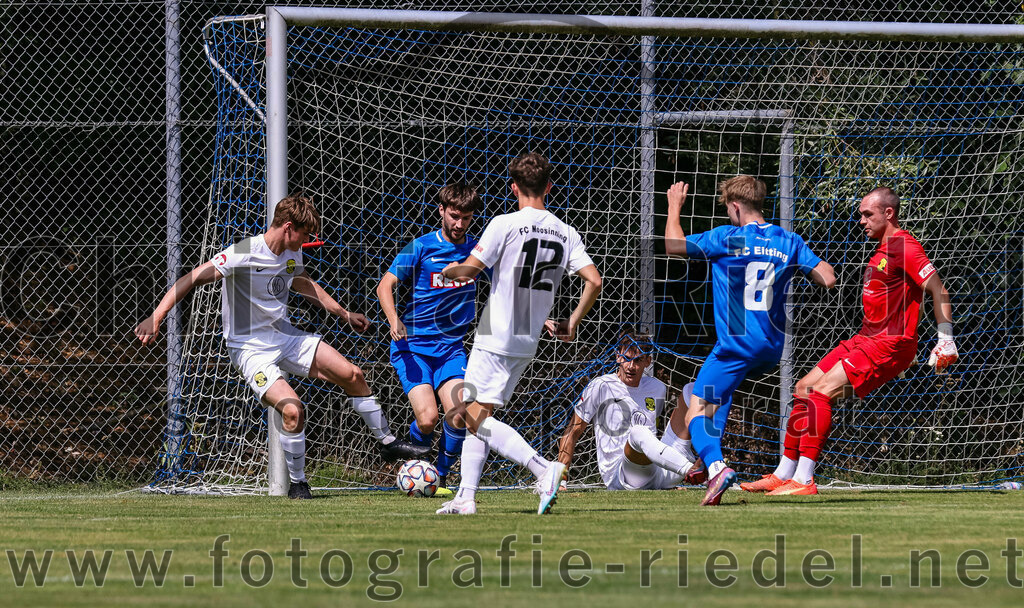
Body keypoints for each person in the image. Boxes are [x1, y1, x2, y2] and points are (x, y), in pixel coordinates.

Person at [135, 193, 429, 499]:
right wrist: (156, 317)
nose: (307, 241)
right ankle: (298, 483)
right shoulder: (244, 251)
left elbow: (303, 283)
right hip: (249, 349)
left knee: (352, 374)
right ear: (288, 227)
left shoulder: (292, 251)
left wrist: (344, 314)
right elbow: (191, 278)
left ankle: (387, 442)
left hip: (283, 336)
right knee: (292, 409)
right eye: (305, 234)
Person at [743, 186, 957, 496]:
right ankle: (783, 474)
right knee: (803, 388)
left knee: (820, 394)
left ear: (889, 213)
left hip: (888, 343)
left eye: (867, 214)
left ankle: (804, 480)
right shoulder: (883, 249)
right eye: (861, 215)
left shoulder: (904, 246)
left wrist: (945, 339)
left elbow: (938, 289)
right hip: (866, 338)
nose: (861, 221)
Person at [435, 152, 602, 515]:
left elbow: (469, 271)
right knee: (480, 414)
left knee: (471, 416)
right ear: (549, 187)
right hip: (528, 337)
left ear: (513, 188)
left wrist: (448, 271)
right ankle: (465, 497)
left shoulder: (505, 223)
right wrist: (572, 322)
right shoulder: (565, 232)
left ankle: (542, 469)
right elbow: (594, 280)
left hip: (497, 331)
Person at [663, 176, 836, 505]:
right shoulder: (788, 240)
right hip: (770, 350)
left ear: (735, 207)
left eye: (729, 210)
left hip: (736, 346)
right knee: (720, 394)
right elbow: (827, 277)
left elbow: (674, 245)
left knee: (695, 410)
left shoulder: (727, 238)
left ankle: (716, 467)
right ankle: (705, 462)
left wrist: (674, 207)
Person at [376, 182, 484, 496]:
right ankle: (416, 463)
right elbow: (384, 286)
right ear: (441, 211)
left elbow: (505, 284)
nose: (459, 223)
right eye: (454, 216)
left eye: (466, 218)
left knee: (459, 413)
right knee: (427, 419)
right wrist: (394, 319)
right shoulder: (421, 247)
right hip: (413, 348)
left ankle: (440, 478)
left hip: (450, 349)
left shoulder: (477, 252)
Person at [557, 332, 698, 491]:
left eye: (637, 360)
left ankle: (713, 465)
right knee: (638, 432)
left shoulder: (657, 388)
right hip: (623, 477)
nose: (631, 366)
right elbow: (572, 432)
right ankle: (691, 470)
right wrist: (561, 481)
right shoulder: (601, 386)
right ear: (618, 357)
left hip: (657, 472)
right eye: (626, 358)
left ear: (648, 361)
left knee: (693, 390)